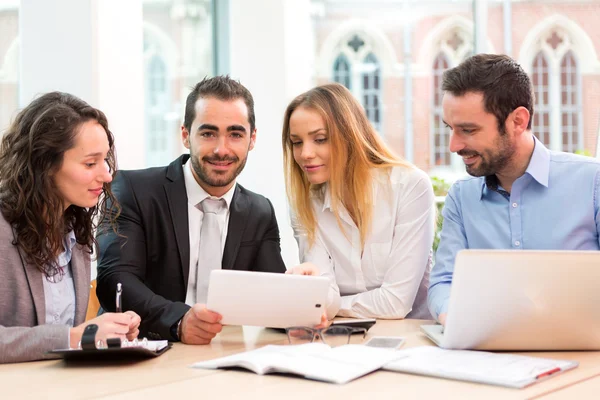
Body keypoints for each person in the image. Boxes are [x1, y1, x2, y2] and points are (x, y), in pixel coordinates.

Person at [96, 76, 287, 344]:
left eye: (235, 134)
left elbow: (276, 302)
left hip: (223, 355)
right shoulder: (132, 190)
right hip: (141, 351)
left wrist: (304, 300)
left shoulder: (260, 210)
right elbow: (115, 281)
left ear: (252, 139)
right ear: (186, 135)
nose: (221, 149)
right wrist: (179, 320)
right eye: (208, 133)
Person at [428, 54, 600, 325]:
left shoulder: (593, 183)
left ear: (518, 121)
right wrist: (453, 317)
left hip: (584, 353)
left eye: (468, 130)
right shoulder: (462, 198)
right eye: (450, 129)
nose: (454, 145)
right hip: (487, 353)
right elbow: (443, 282)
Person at [0, 92, 140, 364]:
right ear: (44, 165)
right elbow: (70, 336)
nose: (107, 175)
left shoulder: (77, 234)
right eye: (90, 163)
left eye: (105, 160)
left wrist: (109, 330)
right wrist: (77, 337)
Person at [283, 83, 435, 319]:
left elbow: (395, 304)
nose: (305, 154)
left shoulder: (410, 187)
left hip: (411, 338)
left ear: (349, 135)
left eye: (320, 139)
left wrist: (330, 305)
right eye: (297, 142)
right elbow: (323, 294)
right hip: (343, 338)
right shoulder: (304, 205)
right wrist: (317, 296)